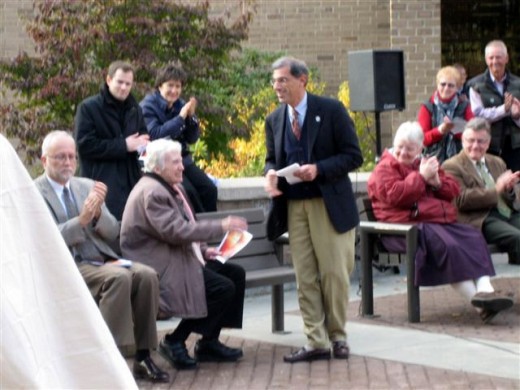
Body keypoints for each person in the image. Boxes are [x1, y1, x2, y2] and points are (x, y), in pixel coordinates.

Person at [34, 131, 169, 383]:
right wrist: (82, 220)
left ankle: (143, 355)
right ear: (44, 161)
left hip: (101, 258)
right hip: (68, 264)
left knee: (146, 275)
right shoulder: (35, 193)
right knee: (118, 279)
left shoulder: (86, 185)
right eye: (60, 157)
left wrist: (97, 215)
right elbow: (44, 239)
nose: (67, 163)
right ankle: (111, 358)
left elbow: (112, 232)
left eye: (72, 157)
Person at [264, 56, 363, 362]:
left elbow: (353, 156)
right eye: (275, 81)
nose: (278, 86)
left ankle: (338, 336)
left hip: (328, 204)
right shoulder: (274, 119)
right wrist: (269, 173)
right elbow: (271, 158)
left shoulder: (330, 110)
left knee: (334, 273)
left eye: (283, 80)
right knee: (305, 275)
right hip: (294, 206)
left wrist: (319, 169)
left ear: (302, 79)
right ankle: (315, 341)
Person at [367, 121, 514, 323]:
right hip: (401, 230)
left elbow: (452, 191)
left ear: (419, 149)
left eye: (409, 149)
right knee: (449, 246)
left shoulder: (423, 163)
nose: (402, 153)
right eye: (399, 147)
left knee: (472, 236)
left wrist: (436, 181)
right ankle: (479, 302)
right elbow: (396, 196)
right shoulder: (384, 169)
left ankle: (485, 292)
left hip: (431, 223)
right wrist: (420, 178)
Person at [120, 139, 247, 370]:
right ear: (157, 167)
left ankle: (209, 342)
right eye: (175, 162)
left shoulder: (166, 186)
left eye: (181, 161)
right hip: (160, 267)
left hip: (177, 256)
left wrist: (203, 249)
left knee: (234, 274)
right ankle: (174, 340)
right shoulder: (153, 192)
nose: (182, 167)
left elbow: (181, 226)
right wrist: (221, 225)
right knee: (221, 288)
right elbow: (176, 231)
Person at [74, 60, 149, 221]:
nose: (124, 87)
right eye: (120, 82)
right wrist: (124, 145)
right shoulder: (88, 108)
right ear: (108, 80)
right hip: (101, 185)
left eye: (128, 84)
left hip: (131, 184)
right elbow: (84, 145)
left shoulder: (135, 109)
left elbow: (143, 138)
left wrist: (145, 148)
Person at [140, 62, 217, 212]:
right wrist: (181, 118)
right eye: (170, 85)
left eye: (178, 86)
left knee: (209, 189)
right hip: (161, 164)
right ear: (160, 85)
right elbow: (155, 135)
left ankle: (210, 230)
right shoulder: (147, 106)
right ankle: (195, 231)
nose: (174, 91)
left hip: (183, 160)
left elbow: (192, 139)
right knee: (188, 194)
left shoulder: (180, 104)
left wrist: (191, 118)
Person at [443, 117, 520, 265]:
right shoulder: (451, 166)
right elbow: (461, 200)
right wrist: (497, 189)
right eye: (470, 140)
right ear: (463, 141)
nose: (475, 146)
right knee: (518, 238)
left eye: (481, 141)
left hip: (507, 213)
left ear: (488, 143)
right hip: (481, 217)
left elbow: (511, 197)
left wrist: (509, 189)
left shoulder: (497, 162)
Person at [467, 40, 520, 171]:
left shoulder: (518, 84)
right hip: (487, 145)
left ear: (506, 58)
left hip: (515, 146)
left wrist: (517, 115)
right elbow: (478, 115)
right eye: (491, 57)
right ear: (486, 59)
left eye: (499, 57)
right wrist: (504, 110)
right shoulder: (475, 85)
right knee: (491, 186)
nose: (495, 61)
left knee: (515, 185)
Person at [417, 66, 474, 163]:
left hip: (460, 160)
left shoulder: (465, 106)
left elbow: (473, 135)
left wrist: (454, 130)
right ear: (437, 85)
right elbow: (422, 139)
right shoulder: (427, 107)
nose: (446, 88)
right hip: (433, 160)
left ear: (457, 87)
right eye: (443, 84)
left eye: (451, 85)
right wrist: (440, 130)